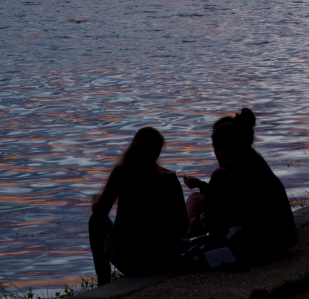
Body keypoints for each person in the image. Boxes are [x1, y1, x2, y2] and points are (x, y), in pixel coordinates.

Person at [181, 110, 295, 266]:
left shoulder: (224, 175)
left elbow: (212, 224)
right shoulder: (255, 162)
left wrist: (195, 223)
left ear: (220, 150)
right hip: (282, 240)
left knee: (184, 258)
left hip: (255, 248)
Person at [89, 127, 187, 286]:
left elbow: (100, 213)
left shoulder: (122, 171)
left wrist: (97, 200)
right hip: (165, 260)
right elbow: (182, 226)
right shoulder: (170, 178)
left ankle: (104, 283)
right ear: (158, 152)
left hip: (131, 262)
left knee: (95, 221)